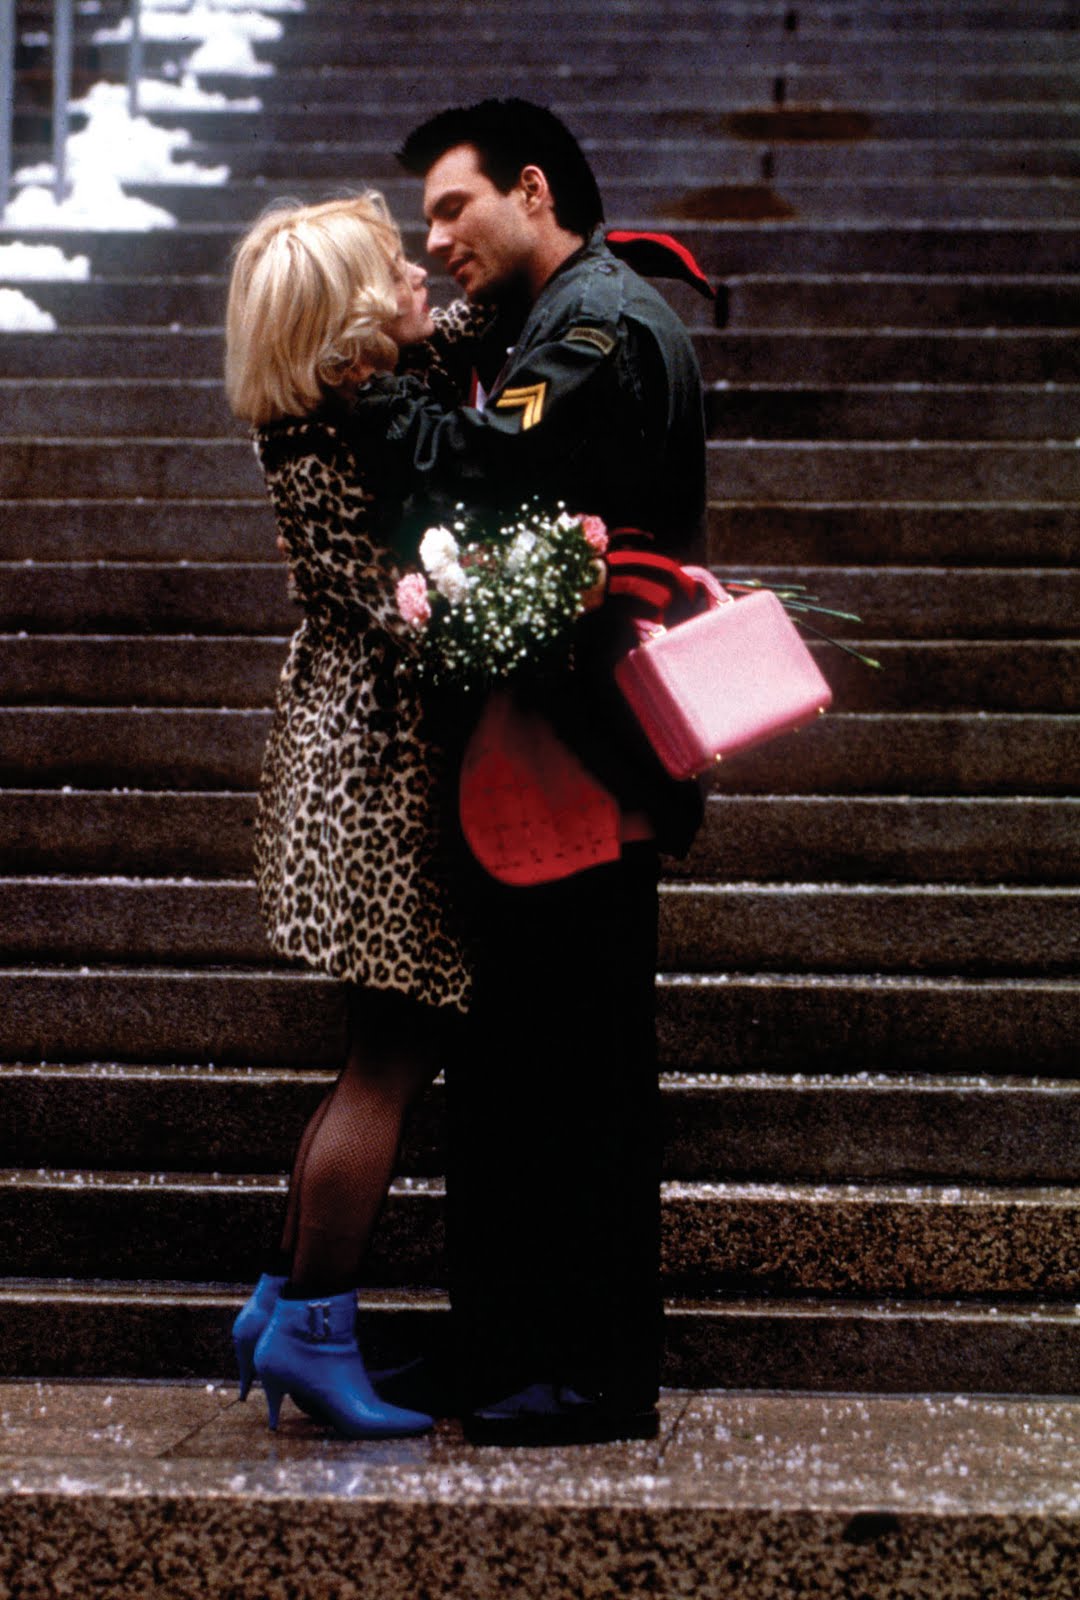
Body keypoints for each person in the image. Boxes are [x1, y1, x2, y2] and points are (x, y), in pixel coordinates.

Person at [382, 98, 710, 1444]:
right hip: (538, 746)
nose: (435, 239)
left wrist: (378, 385)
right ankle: (502, 1342)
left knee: (580, 1076)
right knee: (513, 1069)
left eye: (453, 207)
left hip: (589, 747)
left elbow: (481, 462)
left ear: (532, 188)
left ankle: (596, 1371)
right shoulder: (557, 316)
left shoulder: (598, 324)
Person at [223, 194, 479, 1439]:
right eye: (393, 271)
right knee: (389, 1061)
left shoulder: (329, 407)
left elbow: (453, 327)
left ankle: (281, 1304)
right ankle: (316, 1328)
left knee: (368, 1056)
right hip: (377, 773)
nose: (424, 272)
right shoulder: (349, 437)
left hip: (348, 760)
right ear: (350, 333)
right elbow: (411, 615)